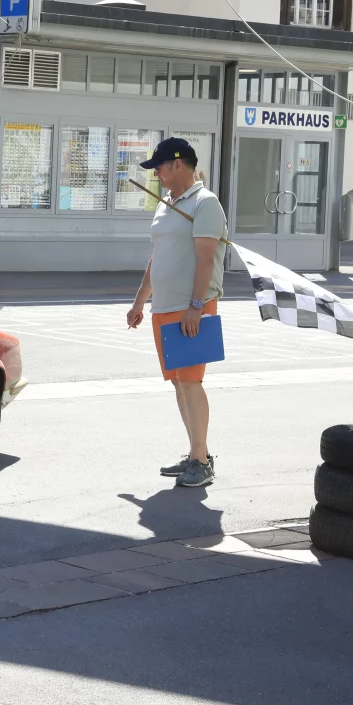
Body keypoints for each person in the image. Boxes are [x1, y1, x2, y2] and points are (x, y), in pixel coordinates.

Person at [125, 137, 227, 489]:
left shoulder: (204, 203)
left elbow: (206, 259)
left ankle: (200, 461)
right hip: (164, 307)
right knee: (179, 383)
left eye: (159, 167)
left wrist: (196, 307)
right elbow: (159, 257)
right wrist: (140, 300)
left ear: (177, 164)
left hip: (191, 307)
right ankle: (197, 452)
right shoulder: (168, 203)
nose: (155, 173)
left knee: (191, 381)